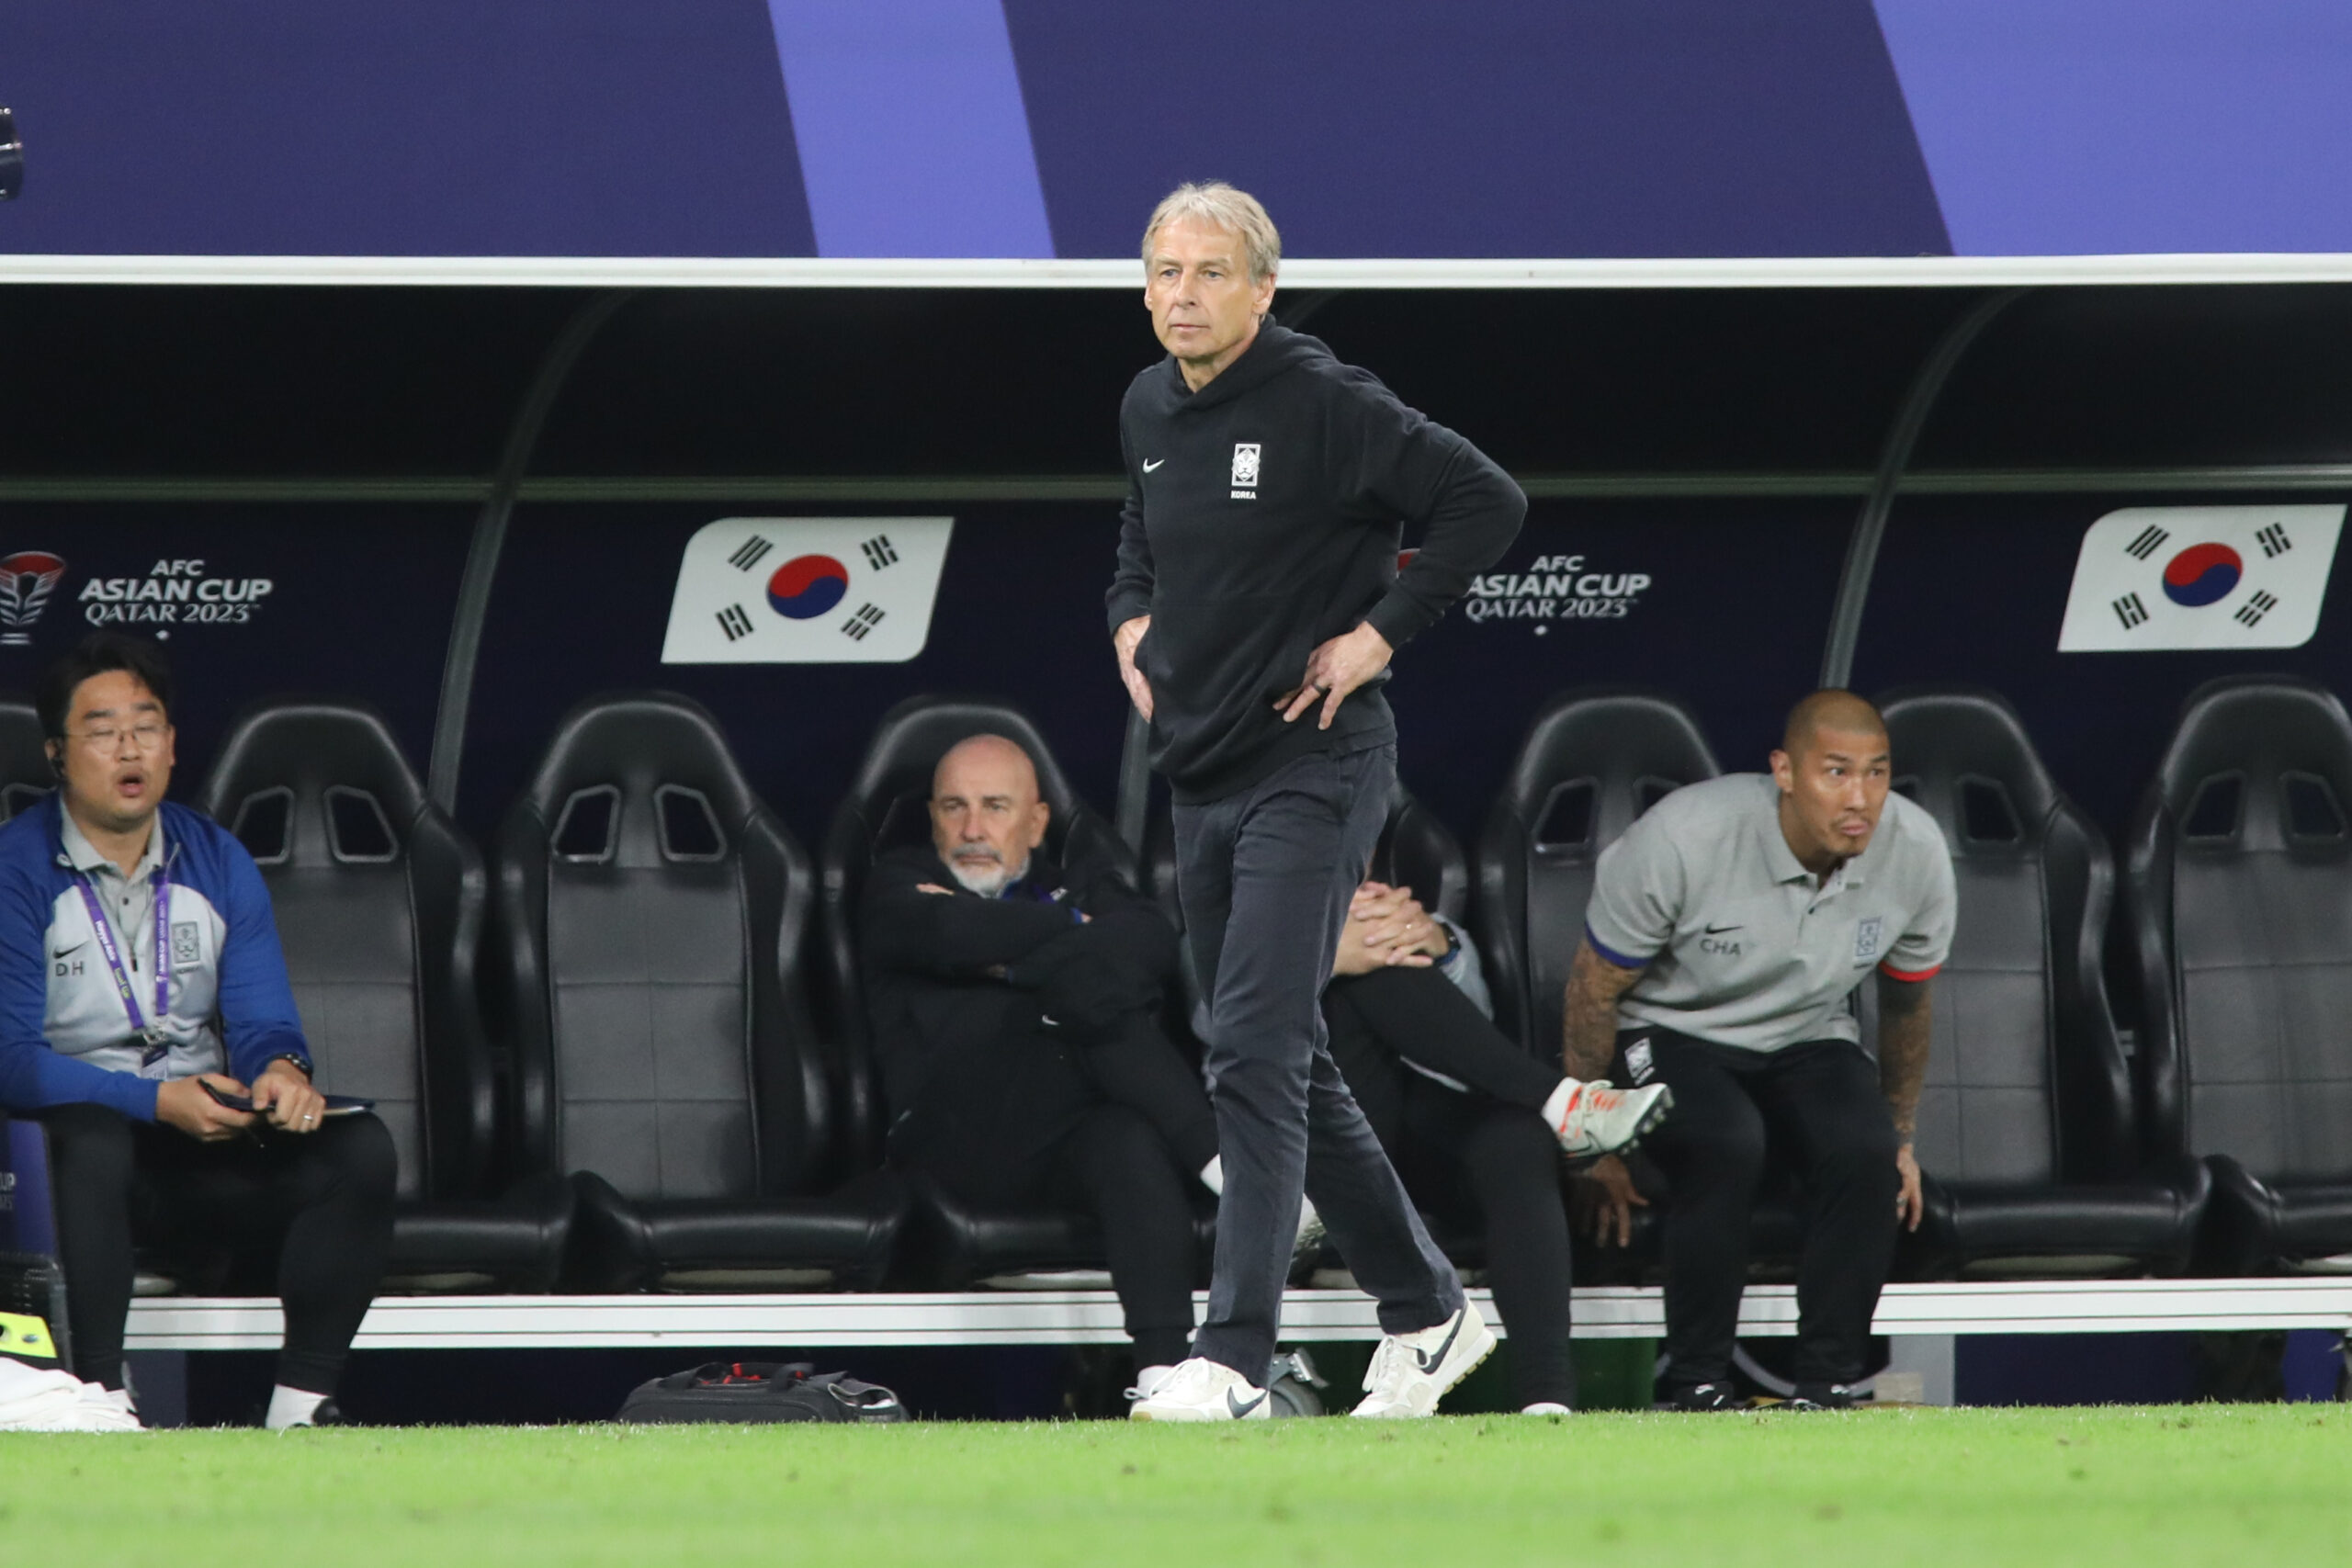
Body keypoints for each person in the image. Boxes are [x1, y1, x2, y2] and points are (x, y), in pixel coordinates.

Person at [1108, 181, 1668, 1421]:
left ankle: (1236, 1356)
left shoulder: (1321, 398)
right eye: (1162, 273)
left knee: (1252, 1040)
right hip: (1196, 768)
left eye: (1208, 274)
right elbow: (1137, 541)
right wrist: (1128, 624)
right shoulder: (1147, 403)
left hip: (1317, 756)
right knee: (1276, 1046)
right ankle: (1425, 1307)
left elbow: (1487, 499)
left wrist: (1378, 632)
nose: (1180, 295)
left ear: (1262, 288)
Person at [0, 633, 396, 1429]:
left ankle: (301, 1410)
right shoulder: (17, 867)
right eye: (102, 730)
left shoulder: (216, 858)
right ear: (56, 752)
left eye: (146, 727)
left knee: (359, 1147)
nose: (128, 748)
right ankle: (99, 1398)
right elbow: (10, 1065)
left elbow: (262, 1020)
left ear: (173, 746)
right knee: (90, 1136)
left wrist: (281, 1070)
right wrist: (153, 1100)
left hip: (193, 1137)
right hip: (65, 1156)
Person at [863, 733, 1305, 1388]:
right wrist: (1077, 931)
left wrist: (1016, 957)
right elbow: (946, 931)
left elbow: (1151, 938)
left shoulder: (1071, 882)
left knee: (1125, 1136)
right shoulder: (898, 884)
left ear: (1037, 820)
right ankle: (1239, 1177)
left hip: (1058, 1135)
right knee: (1084, 1003)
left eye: (995, 806)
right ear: (932, 818)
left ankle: (1164, 1373)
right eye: (953, 807)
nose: (973, 828)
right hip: (948, 1143)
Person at [1565, 690, 1955, 1411]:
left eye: (1877, 773)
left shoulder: (1916, 850)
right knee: (1726, 1141)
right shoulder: (1684, 837)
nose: (1861, 797)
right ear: (1783, 770)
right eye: (1835, 772)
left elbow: (1908, 1005)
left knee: (1864, 1152)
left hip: (1806, 1033)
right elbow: (1593, 989)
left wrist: (1901, 1136)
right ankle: (1700, 1384)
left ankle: (1828, 1383)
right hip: (1670, 1029)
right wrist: (1592, 1144)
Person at [1322, 877, 1604, 1416]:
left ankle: (1546, 1397)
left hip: (1426, 1117)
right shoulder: (1233, 917)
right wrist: (1322, 955)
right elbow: (1217, 1019)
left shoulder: (1399, 918)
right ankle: (1563, 1101)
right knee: (1365, 975)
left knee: (1517, 1141)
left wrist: (1438, 945)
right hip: (1314, 1135)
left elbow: (1477, 1034)